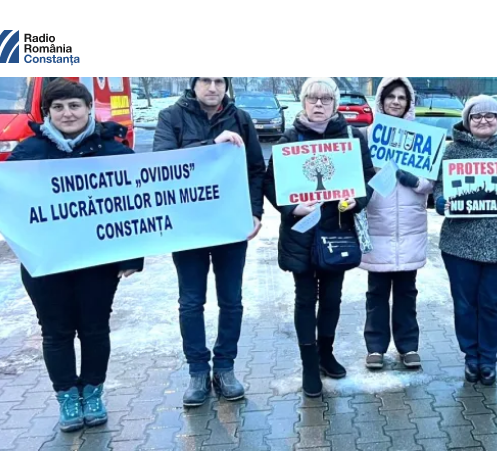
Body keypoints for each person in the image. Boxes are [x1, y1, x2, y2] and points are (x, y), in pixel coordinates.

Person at [7, 78, 144, 432]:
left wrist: (131, 257)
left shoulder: (114, 152)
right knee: (55, 331)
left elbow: (134, 208)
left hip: (97, 261)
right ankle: (67, 397)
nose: (67, 113)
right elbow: (15, 208)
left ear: (88, 109)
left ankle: (93, 392)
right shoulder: (27, 153)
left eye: (74, 105)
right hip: (45, 261)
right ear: (47, 112)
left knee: (95, 328)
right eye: (58, 107)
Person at [153, 77, 266, 407]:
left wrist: (255, 212)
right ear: (194, 83)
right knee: (191, 302)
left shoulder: (240, 118)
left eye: (220, 80)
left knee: (231, 300)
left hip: (231, 225)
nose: (213, 87)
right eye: (206, 80)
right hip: (188, 227)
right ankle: (198, 371)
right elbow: (162, 164)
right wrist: (211, 145)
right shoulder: (171, 117)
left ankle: (225, 368)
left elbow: (256, 169)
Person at [264, 77, 375, 397]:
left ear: (335, 103)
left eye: (326, 99)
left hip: (337, 230)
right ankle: (309, 364)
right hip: (301, 233)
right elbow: (272, 183)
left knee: (331, 299)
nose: (319, 104)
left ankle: (326, 353)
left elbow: (367, 178)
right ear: (303, 102)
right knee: (304, 298)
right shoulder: (289, 138)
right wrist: (291, 208)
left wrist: (359, 199)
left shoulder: (352, 136)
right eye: (312, 98)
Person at [433, 95, 497, 386]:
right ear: (467, 120)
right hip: (459, 244)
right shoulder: (451, 152)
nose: (483, 120)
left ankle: (488, 358)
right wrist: (441, 202)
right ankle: (470, 356)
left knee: (492, 304)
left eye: (490, 115)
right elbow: (439, 191)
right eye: (477, 116)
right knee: (464, 304)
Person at [358, 77, 433, 370]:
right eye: (391, 96)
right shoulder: (367, 136)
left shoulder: (421, 138)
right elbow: (358, 178)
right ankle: (375, 347)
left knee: (406, 292)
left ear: (409, 102)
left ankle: (408, 346)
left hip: (410, 227)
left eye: (402, 97)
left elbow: (432, 184)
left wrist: (417, 182)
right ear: (381, 100)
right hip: (379, 223)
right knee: (376, 292)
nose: (396, 102)